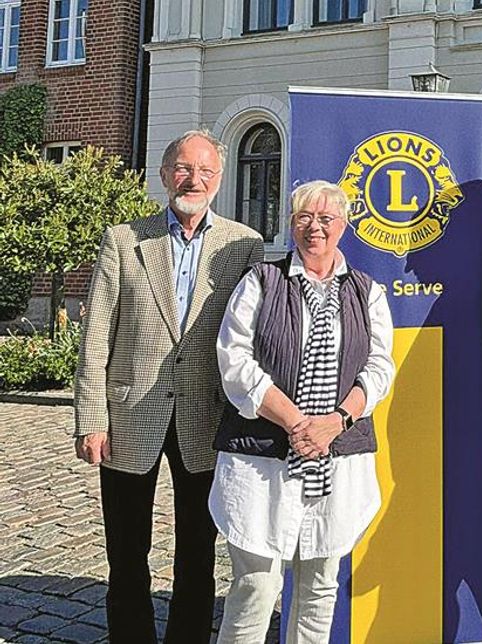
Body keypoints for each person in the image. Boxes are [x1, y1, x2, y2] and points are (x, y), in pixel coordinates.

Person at [73, 130, 264, 643]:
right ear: (164, 175)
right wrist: (91, 418)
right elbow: (96, 337)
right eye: (183, 168)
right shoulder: (124, 239)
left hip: (205, 416)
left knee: (198, 549)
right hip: (129, 414)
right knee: (126, 548)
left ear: (219, 180)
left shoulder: (244, 245)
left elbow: (247, 339)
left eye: (205, 171)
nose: (193, 179)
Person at [210, 180, 395, 644]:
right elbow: (234, 359)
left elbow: (378, 366)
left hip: (337, 454)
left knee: (320, 585)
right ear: (291, 224)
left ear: (344, 225)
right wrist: (295, 422)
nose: (315, 228)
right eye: (305, 218)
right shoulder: (261, 280)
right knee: (255, 586)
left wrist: (335, 423)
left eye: (326, 219)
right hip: (263, 457)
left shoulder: (365, 291)